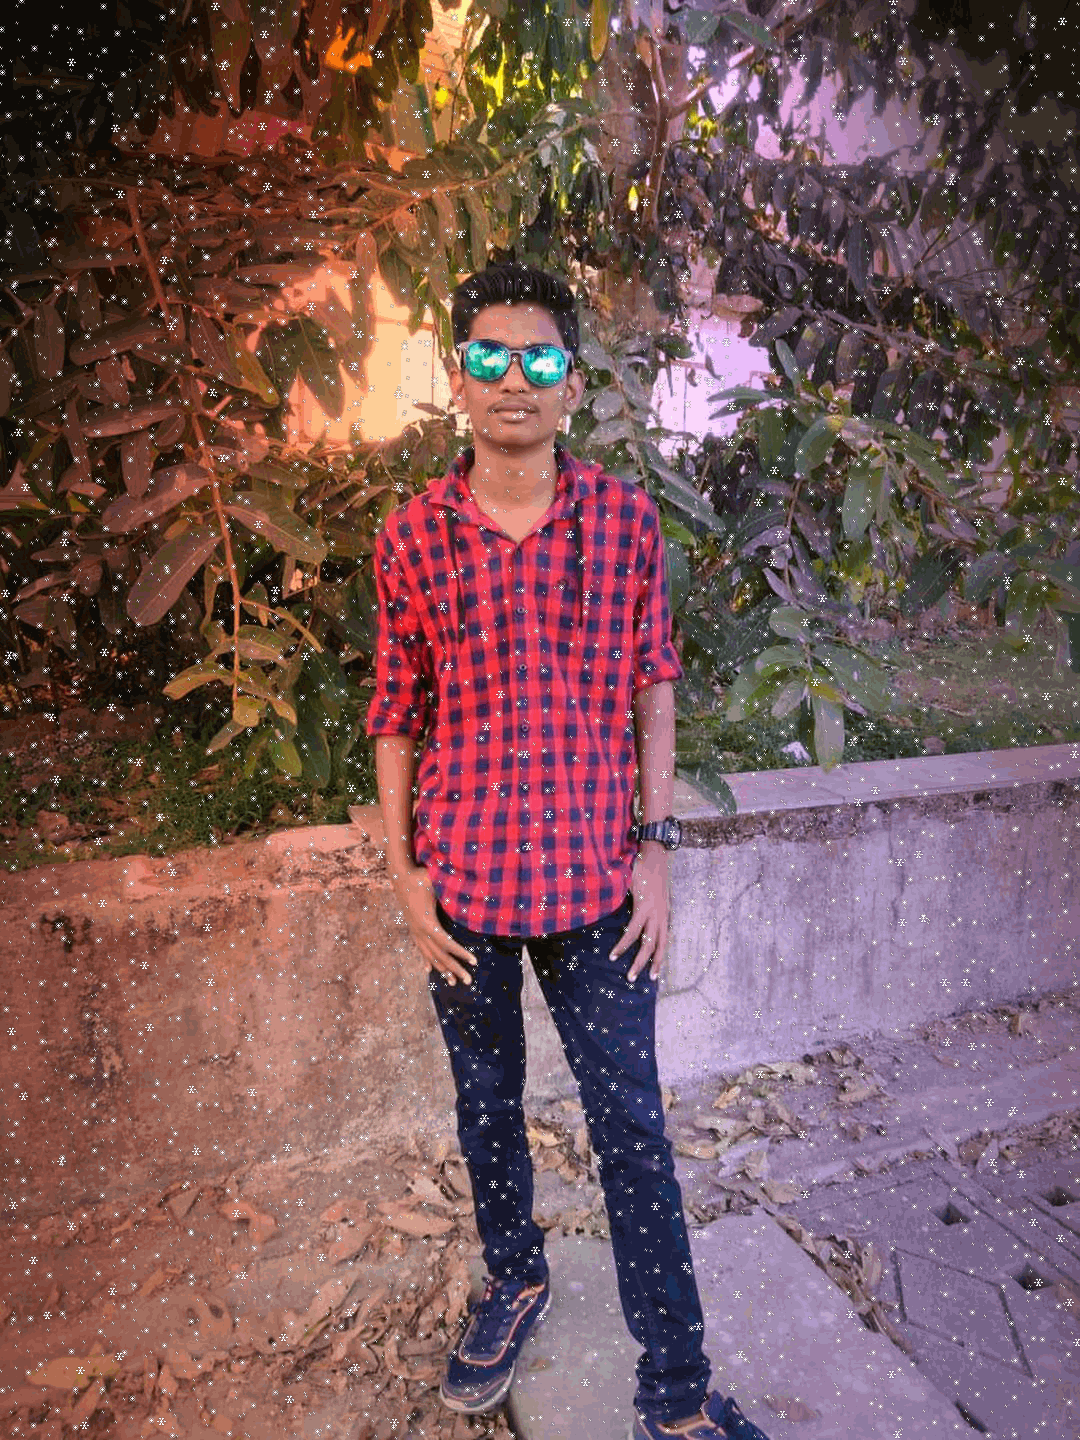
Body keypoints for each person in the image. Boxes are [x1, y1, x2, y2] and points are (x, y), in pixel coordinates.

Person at [365, 261, 772, 1440]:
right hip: (465, 887)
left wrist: (658, 850)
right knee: (486, 1104)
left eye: (538, 358)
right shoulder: (415, 539)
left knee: (632, 1128)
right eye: (489, 357)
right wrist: (403, 874)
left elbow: (654, 690)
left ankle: (676, 1395)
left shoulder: (625, 523)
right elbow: (396, 710)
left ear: (573, 386)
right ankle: (516, 1277)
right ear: (459, 380)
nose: (514, 379)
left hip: (598, 883)